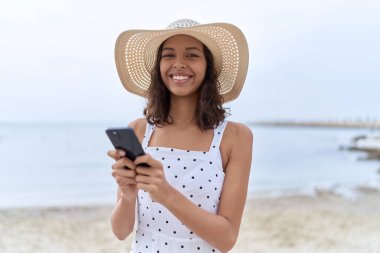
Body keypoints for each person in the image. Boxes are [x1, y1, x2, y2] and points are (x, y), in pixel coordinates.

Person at [107, 19, 253, 253]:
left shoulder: (235, 137)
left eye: (192, 55)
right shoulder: (139, 131)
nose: (179, 64)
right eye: (169, 55)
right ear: (159, 66)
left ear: (208, 66)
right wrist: (127, 194)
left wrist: (165, 193)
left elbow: (227, 239)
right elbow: (121, 231)